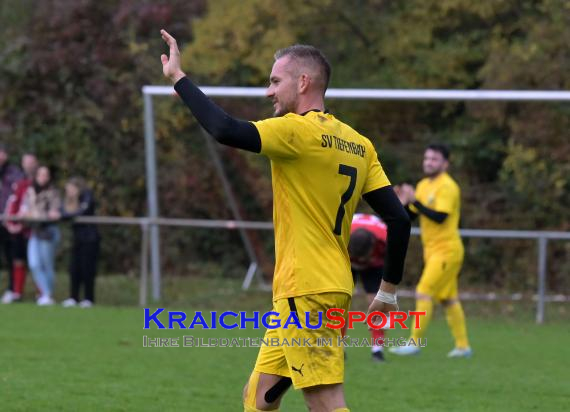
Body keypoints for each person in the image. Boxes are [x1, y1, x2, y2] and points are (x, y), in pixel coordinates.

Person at [160, 30, 411, 412]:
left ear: (304, 81)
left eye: (275, 81)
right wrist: (387, 292)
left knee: (326, 402)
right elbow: (398, 218)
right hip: (323, 288)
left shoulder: (297, 131)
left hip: (306, 290)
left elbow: (225, 129)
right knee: (258, 399)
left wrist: (179, 79)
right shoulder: (360, 144)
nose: (268, 92)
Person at [391, 144, 472, 358]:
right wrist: (402, 204)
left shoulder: (448, 186)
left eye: (434, 159)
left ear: (445, 163)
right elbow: (412, 217)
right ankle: (463, 347)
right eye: (426, 158)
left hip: (447, 251)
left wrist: (415, 200)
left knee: (423, 291)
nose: (428, 162)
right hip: (433, 251)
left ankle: (414, 343)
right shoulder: (423, 185)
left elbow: (440, 216)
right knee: (448, 299)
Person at [347, 213, 388, 362]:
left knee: (376, 303)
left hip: (375, 266)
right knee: (340, 301)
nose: (361, 261)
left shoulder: (386, 239)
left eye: (364, 257)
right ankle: (338, 347)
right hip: (345, 261)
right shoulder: (339, 233)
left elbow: (393, 266)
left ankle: (377, 350)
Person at [19, 165, 61, 306]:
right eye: (40, 174)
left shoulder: (53, 192)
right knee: (34, 264)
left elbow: (54, 212)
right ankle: (46, 293)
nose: (43, 178)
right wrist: (26, 213)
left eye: (46, 175)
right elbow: (24, 209)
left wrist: (36, 214)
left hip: (47, 232)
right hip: (35, 231)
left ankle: (47, 294)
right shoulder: (30, 191)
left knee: (47, 265)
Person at [2, 152, 38, 303]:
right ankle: (16, 292)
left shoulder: (36, 183)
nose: (28, 165)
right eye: (25, 162)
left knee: (36, 262)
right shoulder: (20, 183)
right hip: (14, 226)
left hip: (34, 230)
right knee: (17, 259)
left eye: (31, 161)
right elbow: (13, 203)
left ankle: (43, 293)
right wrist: (10, 222)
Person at [60, 177, 100, 308]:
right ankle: (73, 297)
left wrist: (64, 215)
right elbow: (63, 211)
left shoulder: (87, 196)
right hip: (77, 238)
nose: (69, 192)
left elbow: (80, 212)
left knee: (87, 268)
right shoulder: (69, 200)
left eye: (71, 189)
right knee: (74, 268)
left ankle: (89, 298)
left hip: (90, 238)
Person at [0, 144, 24, 302]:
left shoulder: (14, 173)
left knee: (11, 257)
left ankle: (12, 289)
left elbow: (17, 194)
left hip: (8, 221)